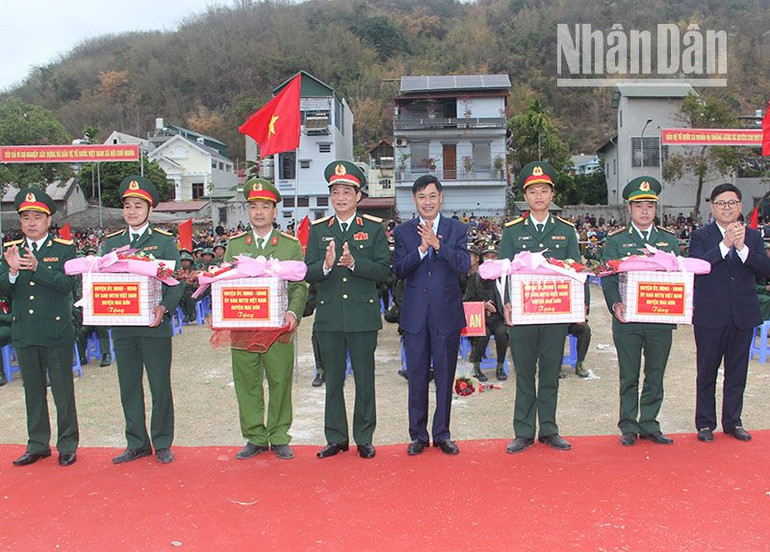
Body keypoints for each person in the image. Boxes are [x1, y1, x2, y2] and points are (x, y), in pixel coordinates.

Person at [305, 160, 389, 459]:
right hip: (329, 317)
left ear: (358, 196)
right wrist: (326, 265)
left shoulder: (374, 229)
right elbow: (307, 272)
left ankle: (364, 437)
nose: (340, 197)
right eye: (335, 192)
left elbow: (384, 271)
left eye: (347, 192)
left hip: (362, 316)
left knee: (365, 380)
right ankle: (336, 437)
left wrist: (355, 264)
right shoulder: (318, 230)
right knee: (333, 381)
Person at [499, 161, 584, 454]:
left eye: (544, 191)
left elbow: (577, 269)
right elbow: (503, 272)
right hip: (523, 313)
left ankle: (548, 428)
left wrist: (579, 307)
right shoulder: (512, 231)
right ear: (526, 196)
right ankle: (523, 431)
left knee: (550, 371)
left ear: (552, 195)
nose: (538, 196)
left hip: (554, 312)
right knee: (524, 373)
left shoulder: (566, 231)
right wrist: (505, 304)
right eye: (533, 191)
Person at [100, 175, 183, 464]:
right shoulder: (111, 244)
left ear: (149, 209)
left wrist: (164, 307)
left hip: (154, 325)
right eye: (127, 206)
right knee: (128, 386)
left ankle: (162, 442)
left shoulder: (163, 242)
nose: (132, 211)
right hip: (123, 327)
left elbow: (177, 283)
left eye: (138, 205)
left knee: (160, 385)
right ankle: (136, 442)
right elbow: (101, 281)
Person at [224, 179, 308, 461]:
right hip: (243, 327)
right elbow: (223, 283)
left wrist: (293, 312)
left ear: (275, 211)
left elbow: (299, 286)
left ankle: (279, 434)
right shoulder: (234, 246)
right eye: (253, 207)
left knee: (279, 381)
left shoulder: (288, 246)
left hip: (278, 329)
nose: (259, 212)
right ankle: (255, 437)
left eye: (265, 207)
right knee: (247, 382)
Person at [392, 174, 470, 456]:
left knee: (445, 376)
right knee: (417, 376)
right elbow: (399, 269)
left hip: (446, 315)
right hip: (414, 316)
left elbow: (463, 265)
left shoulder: (456, 229)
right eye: (422, 196)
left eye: (432, 196)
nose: (427, 202)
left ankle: (443, 433)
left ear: (441, 198)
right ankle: (418, 435)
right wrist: (422, 249)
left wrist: (438, 245)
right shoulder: (402, 232)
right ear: (415, 200)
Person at [0, 189, 79, 466]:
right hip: (26, 331)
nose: (31, 223)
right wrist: (11, 272)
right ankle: (37, 444)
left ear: (48, 220)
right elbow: (3, 293)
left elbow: (68, 285)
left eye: (37, 217)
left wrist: (37, 269)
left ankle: (67, 443)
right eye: (25, 217)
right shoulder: (11, 251)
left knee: (62, 391)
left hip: (55, 331)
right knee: (33, 391)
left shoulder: (64, 248)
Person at [688, 183, 770, 443]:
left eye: (732, 203)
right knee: (707, 371)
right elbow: (698, 266)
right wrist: (725, 244)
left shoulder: (754, 236)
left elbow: (764, 268)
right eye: (721, 203)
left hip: (742, 315)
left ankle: (733, 422)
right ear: (713, 207)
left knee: (737, 373)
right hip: (710, 316)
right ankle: (705, 423)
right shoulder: (701, 236)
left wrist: (743, 248)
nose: (727, 208)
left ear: (740, 205)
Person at [601, 177, 679, 446]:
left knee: (656, 373)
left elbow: (679, 276)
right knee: (629, 374)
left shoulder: (668, 240)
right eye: (639, 206)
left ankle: (650, 423)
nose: (644, 211)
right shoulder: (616, 241)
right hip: (628, 319)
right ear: (629, 210)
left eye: (649, 205)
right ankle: (628, 425)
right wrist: (615, 304)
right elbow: (607, 276)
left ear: (656, 209)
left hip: (660, 318)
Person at [464, 243, 508, 382]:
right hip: (480, 319)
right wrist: (483, 305)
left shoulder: (503, 278)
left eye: (494, 257)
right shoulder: (475, 278)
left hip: (498, 317)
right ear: (482, 259)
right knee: (484, 334)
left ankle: (500, 366)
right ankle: (476, 366)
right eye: (487, 256)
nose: (490, 259)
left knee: (502, 333)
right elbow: (466, 301)